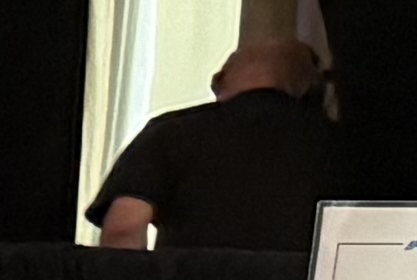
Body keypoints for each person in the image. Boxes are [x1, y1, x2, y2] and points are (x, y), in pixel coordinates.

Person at [92, 36, 349, 254]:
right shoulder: (342, 145)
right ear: (311, 89)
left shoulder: (171, 133)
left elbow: (123, 232)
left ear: (219, 82)